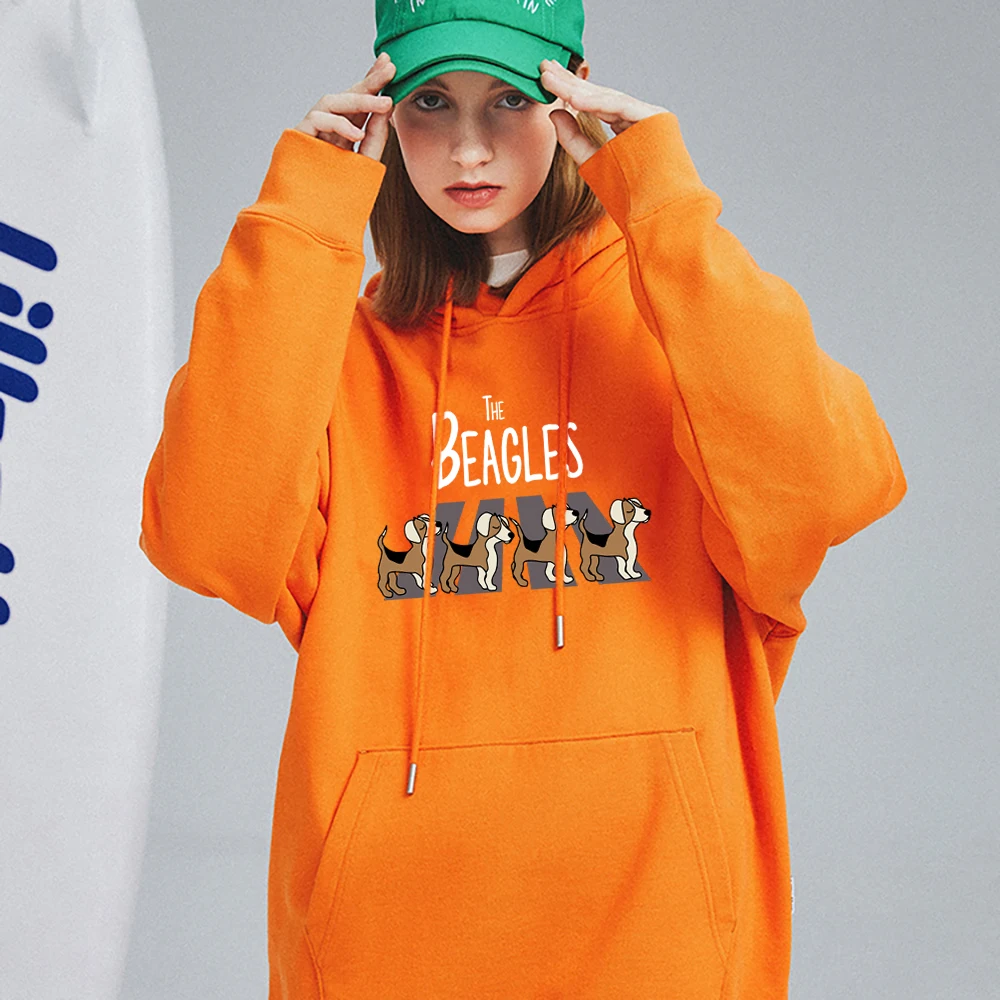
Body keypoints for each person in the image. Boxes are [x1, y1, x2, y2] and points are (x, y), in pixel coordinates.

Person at [138, 0, 908, 997]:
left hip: (659, 942)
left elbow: (830, 482)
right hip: (388, 948)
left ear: (568, 98)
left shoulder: (674, 324)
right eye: (430, 102)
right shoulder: (335, 355)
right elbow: (204, 534)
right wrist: (301, 221)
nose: (469, 147)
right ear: (382, 113)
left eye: (507, 99)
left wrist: (666, 210)